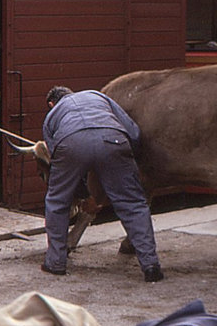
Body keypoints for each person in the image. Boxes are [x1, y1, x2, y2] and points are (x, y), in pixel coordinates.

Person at [40, 86, 164, 282]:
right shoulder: (97, 96)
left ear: (51, 104)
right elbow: (133, 131)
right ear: (71, 93)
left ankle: (55, 263)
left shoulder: (52, 115)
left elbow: (55, 157)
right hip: (113, 138)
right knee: (133, 203)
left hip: (70, 142)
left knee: (57, 202)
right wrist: (127, 158)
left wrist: (82, 192)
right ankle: (151, 265)